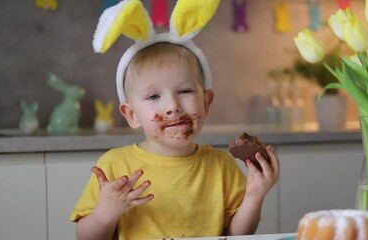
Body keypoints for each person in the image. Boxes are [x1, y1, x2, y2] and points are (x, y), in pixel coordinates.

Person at [70, 0, 279, 239]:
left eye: (185, 91)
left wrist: (254, 196)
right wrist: (105, 213)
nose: (172, 106)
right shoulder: (114, 167)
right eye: (153, 96)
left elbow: (235, 234)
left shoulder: (222, 167)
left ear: (206, 102)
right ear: (132, 115)